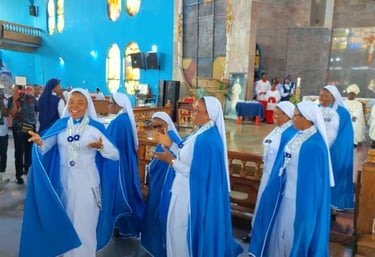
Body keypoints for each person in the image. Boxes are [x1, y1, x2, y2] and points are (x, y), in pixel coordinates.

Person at [19, 88, 129, 257]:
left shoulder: (95, 128)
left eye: (80, 102)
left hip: (87, 188)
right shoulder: (61, 126)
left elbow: (115, 154)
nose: (74, 106)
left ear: (87, 106)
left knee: (84, 231)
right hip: (63, 187)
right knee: (66, 228)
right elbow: (46, 147)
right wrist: (40, 142)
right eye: (71, 102)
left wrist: (101, 147)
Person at [153, 96, 243, 257]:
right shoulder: (200, 132)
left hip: (190, 196)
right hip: (181, 191)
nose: (191, 113)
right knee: (174, 230)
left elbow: (198, 173)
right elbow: (186, 156)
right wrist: (171, 145)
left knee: (181, 235)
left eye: (196, 110)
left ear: (209, 114)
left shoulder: (208, 139)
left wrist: (171, 161)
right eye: (192, 108)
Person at [249, 100, 332, 257]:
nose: (293, 119)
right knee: (280, 234)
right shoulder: (300, 136)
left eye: (295, 116)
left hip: (299, 200)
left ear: (307, 118)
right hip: (285, 195)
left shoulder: (314, 145)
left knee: (291, 235)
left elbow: (312, 184)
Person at [246, 101, 297, 242]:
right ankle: (256, 232)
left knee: (272, 206)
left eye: (277, 114)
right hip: (267, 174)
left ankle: (268, 236)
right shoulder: (278, 129)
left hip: (277, 176)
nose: (273, 116)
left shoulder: (292, 133)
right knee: (262, 203)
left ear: (287, 116)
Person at [141, 111, 181, 257]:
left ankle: (160, 248)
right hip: (157, 184)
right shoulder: (163, 138)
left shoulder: (172, 138)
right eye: (154, 127)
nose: (157, 130)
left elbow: (176, 159)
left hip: (165, 185)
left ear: (167, 124)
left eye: (159, 126)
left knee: (160, 213)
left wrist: (152, 166)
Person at [106, 92, 144, 238]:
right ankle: (122, 225)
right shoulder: (124, 119)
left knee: (122, 193)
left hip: (119, 165)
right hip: (125, 162)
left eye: (111, 103)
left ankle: (125, 226)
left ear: (119, 105)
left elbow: (111, 144)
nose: (109, 106)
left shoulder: (119, 122)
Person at [319, 85, 354, 211]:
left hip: (334, 150)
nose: (322, 98)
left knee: (333, 176)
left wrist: (334, 150)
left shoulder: (342, 113)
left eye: (326, 96)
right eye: (321, 95)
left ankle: (332, 205)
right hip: (316, 150)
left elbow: (346, 135)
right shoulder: (315, 109)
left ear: (334, 97)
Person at [7, 84, 38, 184]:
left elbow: (36, 111)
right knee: (19, 152)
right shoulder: (12, 99)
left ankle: (27, 167)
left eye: (16, 90)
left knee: (29, 150)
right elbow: (12, 113)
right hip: (18, 129)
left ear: (22, 90)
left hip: (30, 128)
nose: (15, 92)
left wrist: (35, 124)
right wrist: (14, 100)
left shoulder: (31, 98)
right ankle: (19, 175)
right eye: (13, 91)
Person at [0, 88, 9, 182]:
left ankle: (2, 172)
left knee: (3, 154)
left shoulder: (5, 103)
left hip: (3, 133)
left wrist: (2, 104)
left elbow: (6, 114)